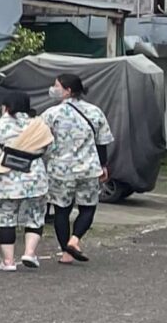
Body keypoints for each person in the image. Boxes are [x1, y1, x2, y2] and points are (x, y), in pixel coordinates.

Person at [0, 89, 53, 272]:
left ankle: (8, 262)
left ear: (6, 107)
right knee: (34, 217)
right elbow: (49, 150)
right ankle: (30, 253)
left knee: (5, 219)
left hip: (4, 181)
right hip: (35, 179)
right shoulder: (40, 125)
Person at [43, 72, 114, 263]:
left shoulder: (51, 114)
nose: (53, 88)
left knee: (61, 211)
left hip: (60, 170)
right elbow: (102, 142)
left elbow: (41, 140)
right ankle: (74, 240)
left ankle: (66, 253)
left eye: (56, 85)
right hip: (89, 168)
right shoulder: (94, 111)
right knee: (88, 207)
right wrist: (103, 165)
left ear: (67, 90)